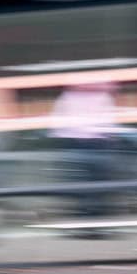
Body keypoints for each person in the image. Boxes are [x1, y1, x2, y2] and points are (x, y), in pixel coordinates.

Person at [48, 80, 125, 234]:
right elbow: (59, 122)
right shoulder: (71, 96)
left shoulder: (74, 96)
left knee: (91, 186)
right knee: (89, 187)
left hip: (89, 143)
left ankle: (92, 226)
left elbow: (58, 123)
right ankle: (90, 226)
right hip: (85, 144)